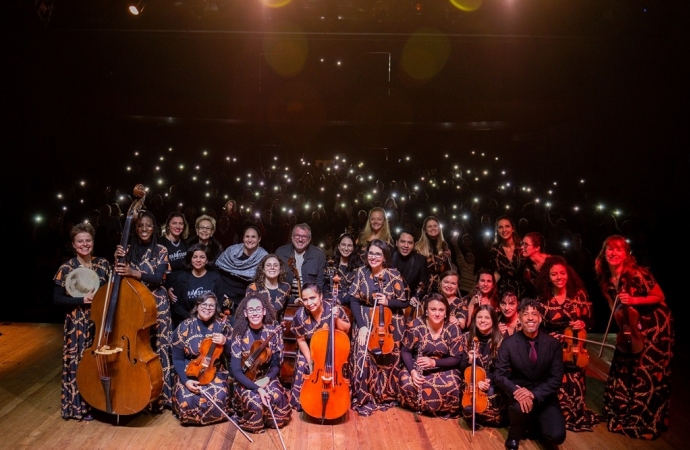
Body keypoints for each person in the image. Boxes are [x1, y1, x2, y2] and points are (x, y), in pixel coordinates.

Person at [595, 235, 673, 439]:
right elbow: (614, 307)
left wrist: (634, 300)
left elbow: (659, 296)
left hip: (654, 326)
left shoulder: (637, 274)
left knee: (646, 370)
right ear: (604, 253)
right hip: (630, 324)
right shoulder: (606, 279)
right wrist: (622, 326)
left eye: (618, 250)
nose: (613, 253)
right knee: (624, 365)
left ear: (626, 254)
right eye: (609, 249)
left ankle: (644, 419)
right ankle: (622, 414)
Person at [114, 210, 174, 409]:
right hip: (135, 303)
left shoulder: (161, 249)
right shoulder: (127, 249)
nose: (144, 229)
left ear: (154, 228)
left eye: (148, 225)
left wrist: (133, 272)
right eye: (140, 225)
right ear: (135, 228)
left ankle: (162, 397)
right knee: (138, 348)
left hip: (157, 303)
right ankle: (139, 393)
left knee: (160, 347)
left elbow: (158, 278)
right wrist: (118, 260)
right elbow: (117, 275)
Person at [53, 223, 111, 421]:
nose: (85, 244)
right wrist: (81, 300)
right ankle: (78, 407)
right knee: (78, 364)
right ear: (73, 244)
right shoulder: (66, 267)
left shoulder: (103, 264)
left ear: (93, 242)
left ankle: (98, 404)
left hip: (99, 321)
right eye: (80, 241)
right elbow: (57, 298)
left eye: (88, 240)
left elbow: (111, 292)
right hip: (77, 322)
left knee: (98, 363)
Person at [345, 239, 408, 416]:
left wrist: (388, 301)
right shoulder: (360, 272)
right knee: (362, 354)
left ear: (385, 257)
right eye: (371, 253)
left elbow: (404, 301)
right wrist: (362, 326)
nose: (373, 257)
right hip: (365, 321)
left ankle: (384, 394)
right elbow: (354, 300)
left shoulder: (394, 275)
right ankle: (363, 394)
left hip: (389, 322)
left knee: (388, 357)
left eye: (378, 254)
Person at [537, 255, 598, 432]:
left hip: (575, 350)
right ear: (547, 277)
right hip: (553, 349)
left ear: (568, 274)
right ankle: (555, 414)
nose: (559, 277)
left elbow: (591, 320)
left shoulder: (579, 295)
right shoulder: (543, 300)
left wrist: (583, 323)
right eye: (554, 274)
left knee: (576, 375)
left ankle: (575, 412)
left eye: (562, 273)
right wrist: (550, 337)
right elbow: (537, 328)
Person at [494, 299, 566, 450]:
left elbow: (556, 378)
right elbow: (499, 375)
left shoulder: (553, 344)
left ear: (540, 318)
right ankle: (514, 434)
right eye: (525, 314)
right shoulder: (509, 343)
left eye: (534, 314)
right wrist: (516, 390)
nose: (530, 318)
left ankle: (537, 426)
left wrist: (533, 394)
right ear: (519, 318)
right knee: (520, 407)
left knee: (557, 436)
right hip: (519, 394)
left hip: (544, 395)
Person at [230, 294, 292, 433]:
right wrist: (257, 388)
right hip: (246, 379)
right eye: (251, 310)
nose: (255, 313)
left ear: (264, 311)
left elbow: (276, 364)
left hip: (266, 377)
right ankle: (255, 422)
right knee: (255, 401)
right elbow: (236, 371)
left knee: (276, 396)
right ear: (245, 313)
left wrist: (267, 379)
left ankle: (270, 420)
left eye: (258, 309)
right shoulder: (239, 334)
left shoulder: (273, 331)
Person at [398, 293, 465, 418]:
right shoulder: (415, 325)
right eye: (433, 309)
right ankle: (417, 406)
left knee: (454, 384)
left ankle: (438, 409)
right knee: (405, 380)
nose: (437, 313)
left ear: (446, 312)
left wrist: (434, 362)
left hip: (443, 367)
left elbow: (457, 358)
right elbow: (405, 351)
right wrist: (412, 371)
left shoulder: (453, 329)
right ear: (426, 311)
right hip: (419, 366)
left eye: (441, 310)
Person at [171, 293, 233, 425]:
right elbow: (177, 358)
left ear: (216, 308)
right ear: (197, 306)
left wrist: (225, 341)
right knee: (186, 400)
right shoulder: (184, 327)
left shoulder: (222, 326)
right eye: (203, 304)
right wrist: (186, 380)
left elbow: (231, 355)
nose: (207, 308)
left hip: (214, 370)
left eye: (211, 305)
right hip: (189, 370)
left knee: (219, 396)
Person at [288, 283, 351, 410]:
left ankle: (336, 401)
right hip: (311, 348)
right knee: (302, 364)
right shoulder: (300, 315)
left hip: (331, 347)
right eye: (305, 299)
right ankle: (305, 401)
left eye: (312, 298)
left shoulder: (333, 308)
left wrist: (336, 319)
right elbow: (300, 340)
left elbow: (347, 328)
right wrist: (311, 360)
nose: (309, 303)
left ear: (320, 296)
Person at [460, 304, 507, 427]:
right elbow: (460, 367)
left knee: (491, 392)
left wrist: (488, 380)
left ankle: (482, 415)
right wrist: (468, 361)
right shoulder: (466, 338)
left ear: (493, 321)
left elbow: (501, 368)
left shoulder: (501, 341)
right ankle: (471, 412)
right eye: (479, 317)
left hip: (491, 381)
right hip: (470, 382)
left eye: (487, 318)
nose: (482, 321)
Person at [169, 243, 224, 327]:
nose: (198, 260)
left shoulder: (216, 278)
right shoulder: (181, 278)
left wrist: (207, 318)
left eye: (202, 257)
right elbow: (176, 305)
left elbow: (219, 303)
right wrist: (192, 319)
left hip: (210, 322)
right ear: (190, 259)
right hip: (186, 322)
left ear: (207, 260)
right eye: (195, 257)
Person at [216, 226, 268, 313]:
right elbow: (219, 267)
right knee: (226, 321)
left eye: (253, 237)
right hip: (226, 294)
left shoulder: (263, 257)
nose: (250, 240)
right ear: (243, 238)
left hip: (247, 298)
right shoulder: (232, 251)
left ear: (259, 239)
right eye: (247, 236)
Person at [275, 223, 327, 301]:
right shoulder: (280, 252)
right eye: (297, 235)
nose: (300, 239)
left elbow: (320, 283)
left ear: (309, 239)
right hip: (285, 300)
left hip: (310, 301)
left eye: (304, 236)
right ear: (292, 237)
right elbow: (276, 282)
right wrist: (291, 300)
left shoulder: (319, 255)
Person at [390, 231, 429, 314]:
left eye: (410, 243)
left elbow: (423, 284)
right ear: (396, 242)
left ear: (414, 245)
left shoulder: (420, 260)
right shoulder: (387, 256)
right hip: (387, 302)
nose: (406, 246)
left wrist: (416, 296)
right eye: (402, 241)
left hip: (408, 304)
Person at [414, 216, 452, 294]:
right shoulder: (418, 247)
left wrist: (448, 258)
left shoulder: (444, 245)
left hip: (439, 289)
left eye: (435, 226)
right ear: (425, 230)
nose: (433, 228)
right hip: (422, 287)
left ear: (439, 228)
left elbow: (446, 271)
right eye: (430, 226)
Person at [490, 216, 524, 298]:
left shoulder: (522, 246)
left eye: (507, 226)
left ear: (513, 229)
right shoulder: (495, 249)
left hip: (525, 289)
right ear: (497, 231)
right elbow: (497, 272)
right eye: (500, 227)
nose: (504, 230)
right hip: (505, 290)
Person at [324, 232, 360, 308]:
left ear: (353, 248)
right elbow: (325, 287)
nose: (346, 248)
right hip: (331, 305)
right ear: (338, 246)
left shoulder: (358, 268)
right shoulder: (329, 264)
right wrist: (331, 300)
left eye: (349, 245)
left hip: (352, 306)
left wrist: (341, 300)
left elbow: (357, 291)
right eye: (343, 245)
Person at [160, 212, 189, 290]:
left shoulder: (185, 243)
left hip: (184, 283)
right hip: (167, 285)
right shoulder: (160, 242)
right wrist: (167, 287)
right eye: (174, 223)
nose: (178, 226)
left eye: (181, 223)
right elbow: (159, 271)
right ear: (168, 225)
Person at [520, 232, 550, 298]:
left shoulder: (551, 263)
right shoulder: (525, 264)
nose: (522, 247)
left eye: (525, 245)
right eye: (522, 244)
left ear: (537, 247)